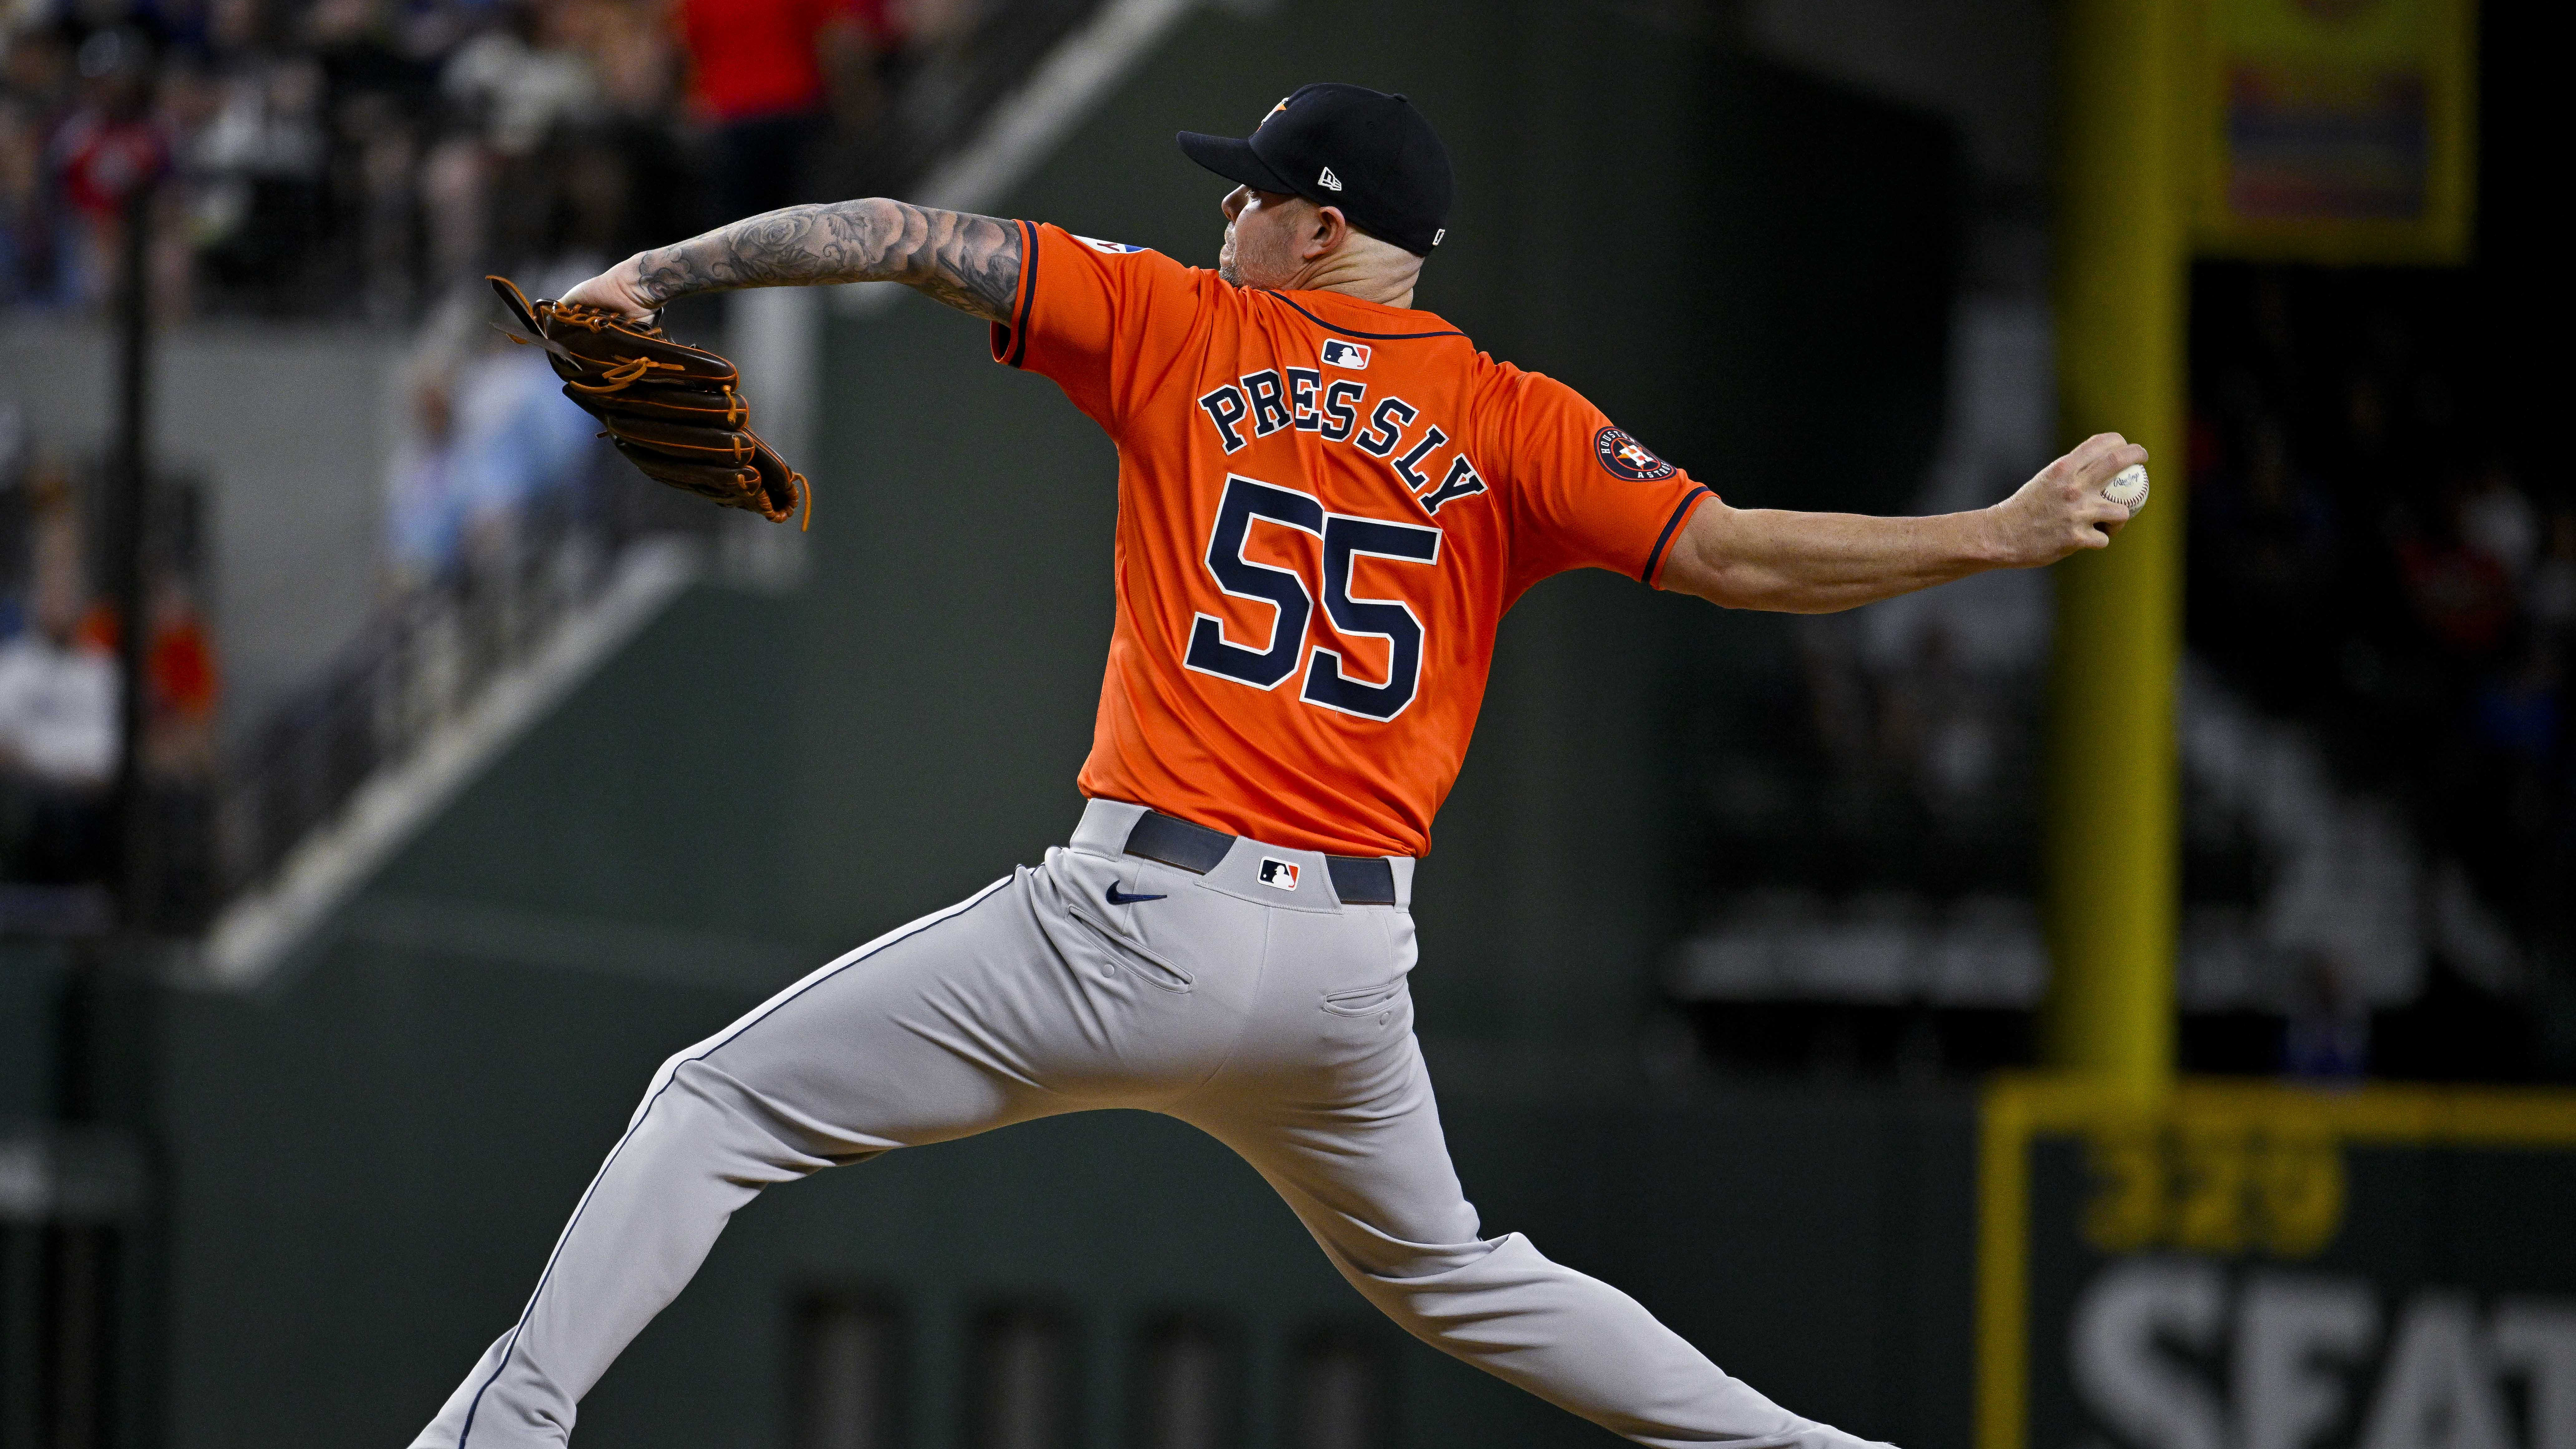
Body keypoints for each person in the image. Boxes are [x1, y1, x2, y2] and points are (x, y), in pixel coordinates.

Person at [410, 83, 2142, 1449]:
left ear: (1323, 228)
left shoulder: (1177, 324)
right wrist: (1993, 532)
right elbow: (1751, 556)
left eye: (1248, 191)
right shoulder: (1518, 418)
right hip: (1340, 975)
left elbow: (907, 237)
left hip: (1131, 920)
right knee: (1456, 1271)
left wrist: (669, 275)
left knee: (715, 1101)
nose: (1220, 209)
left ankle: (502, 1434)